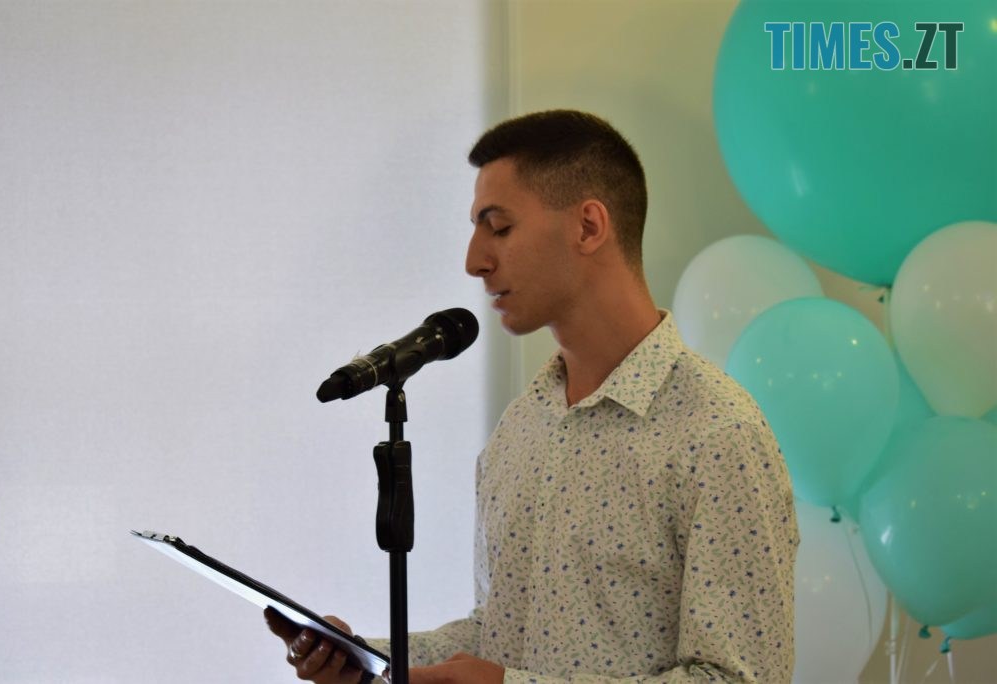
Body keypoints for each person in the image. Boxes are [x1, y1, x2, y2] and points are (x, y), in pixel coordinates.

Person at [266, 110, 799, 683]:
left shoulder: (717, 435)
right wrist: (368, 661)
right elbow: (497, 632)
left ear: (588, 227)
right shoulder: (523, 426)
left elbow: (740, 679)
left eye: (498, 227)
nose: (474, 261)